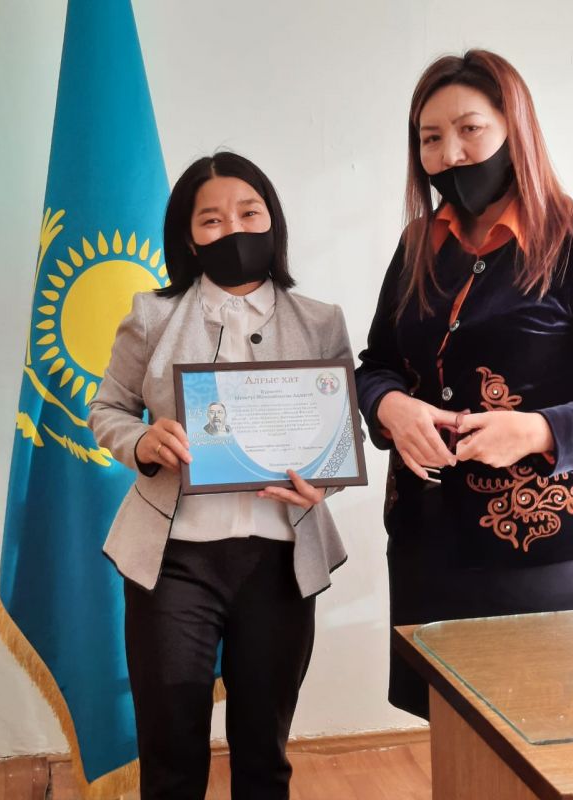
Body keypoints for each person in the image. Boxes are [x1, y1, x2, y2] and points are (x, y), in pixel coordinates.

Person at [88, 152, 352, 800]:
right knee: (172, 753)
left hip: (280, 562)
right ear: (188, 237)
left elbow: (343, 432)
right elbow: (107, 409)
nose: (233, 229)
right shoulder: (151, 316)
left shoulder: (321, 320)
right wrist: (143, 440)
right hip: (174, 562)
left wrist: (324, 482)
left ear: (273, 221)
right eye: (211, 220)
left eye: (248, 213)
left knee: (264, 751)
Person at [356, 49, 573, 720]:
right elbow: (376, 363)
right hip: (426, 540)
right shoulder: (418, 245)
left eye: (469, 130)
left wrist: (538, 430)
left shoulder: (572, 241)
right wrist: (390, 407)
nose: (449, 153)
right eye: (430, 138)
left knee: (538, 731)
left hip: (539, 551)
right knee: (452, 736)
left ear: (516, 128)